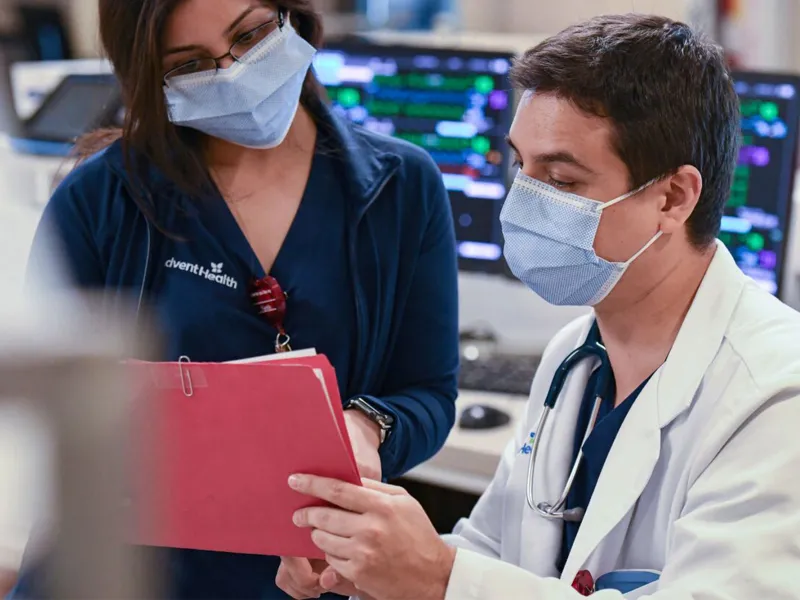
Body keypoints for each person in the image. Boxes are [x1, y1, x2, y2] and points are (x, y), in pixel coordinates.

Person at [278, 14, 800, 600]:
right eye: (521, 168)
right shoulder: (575, 356)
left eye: (562, 180)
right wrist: (369, 566)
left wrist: (439, 579)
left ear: (673, 197)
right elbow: (499, 553)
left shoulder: (776, 395)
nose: (522, 203)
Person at [13, 0, 459, 598]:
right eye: (191, 63)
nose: (234, 72)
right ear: (152, 79)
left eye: (250, 34)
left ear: (291, 16)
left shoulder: (400, 188)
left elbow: (427, 392)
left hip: (308, 575)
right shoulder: (101, 201)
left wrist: (368, 427)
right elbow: (45, 416)